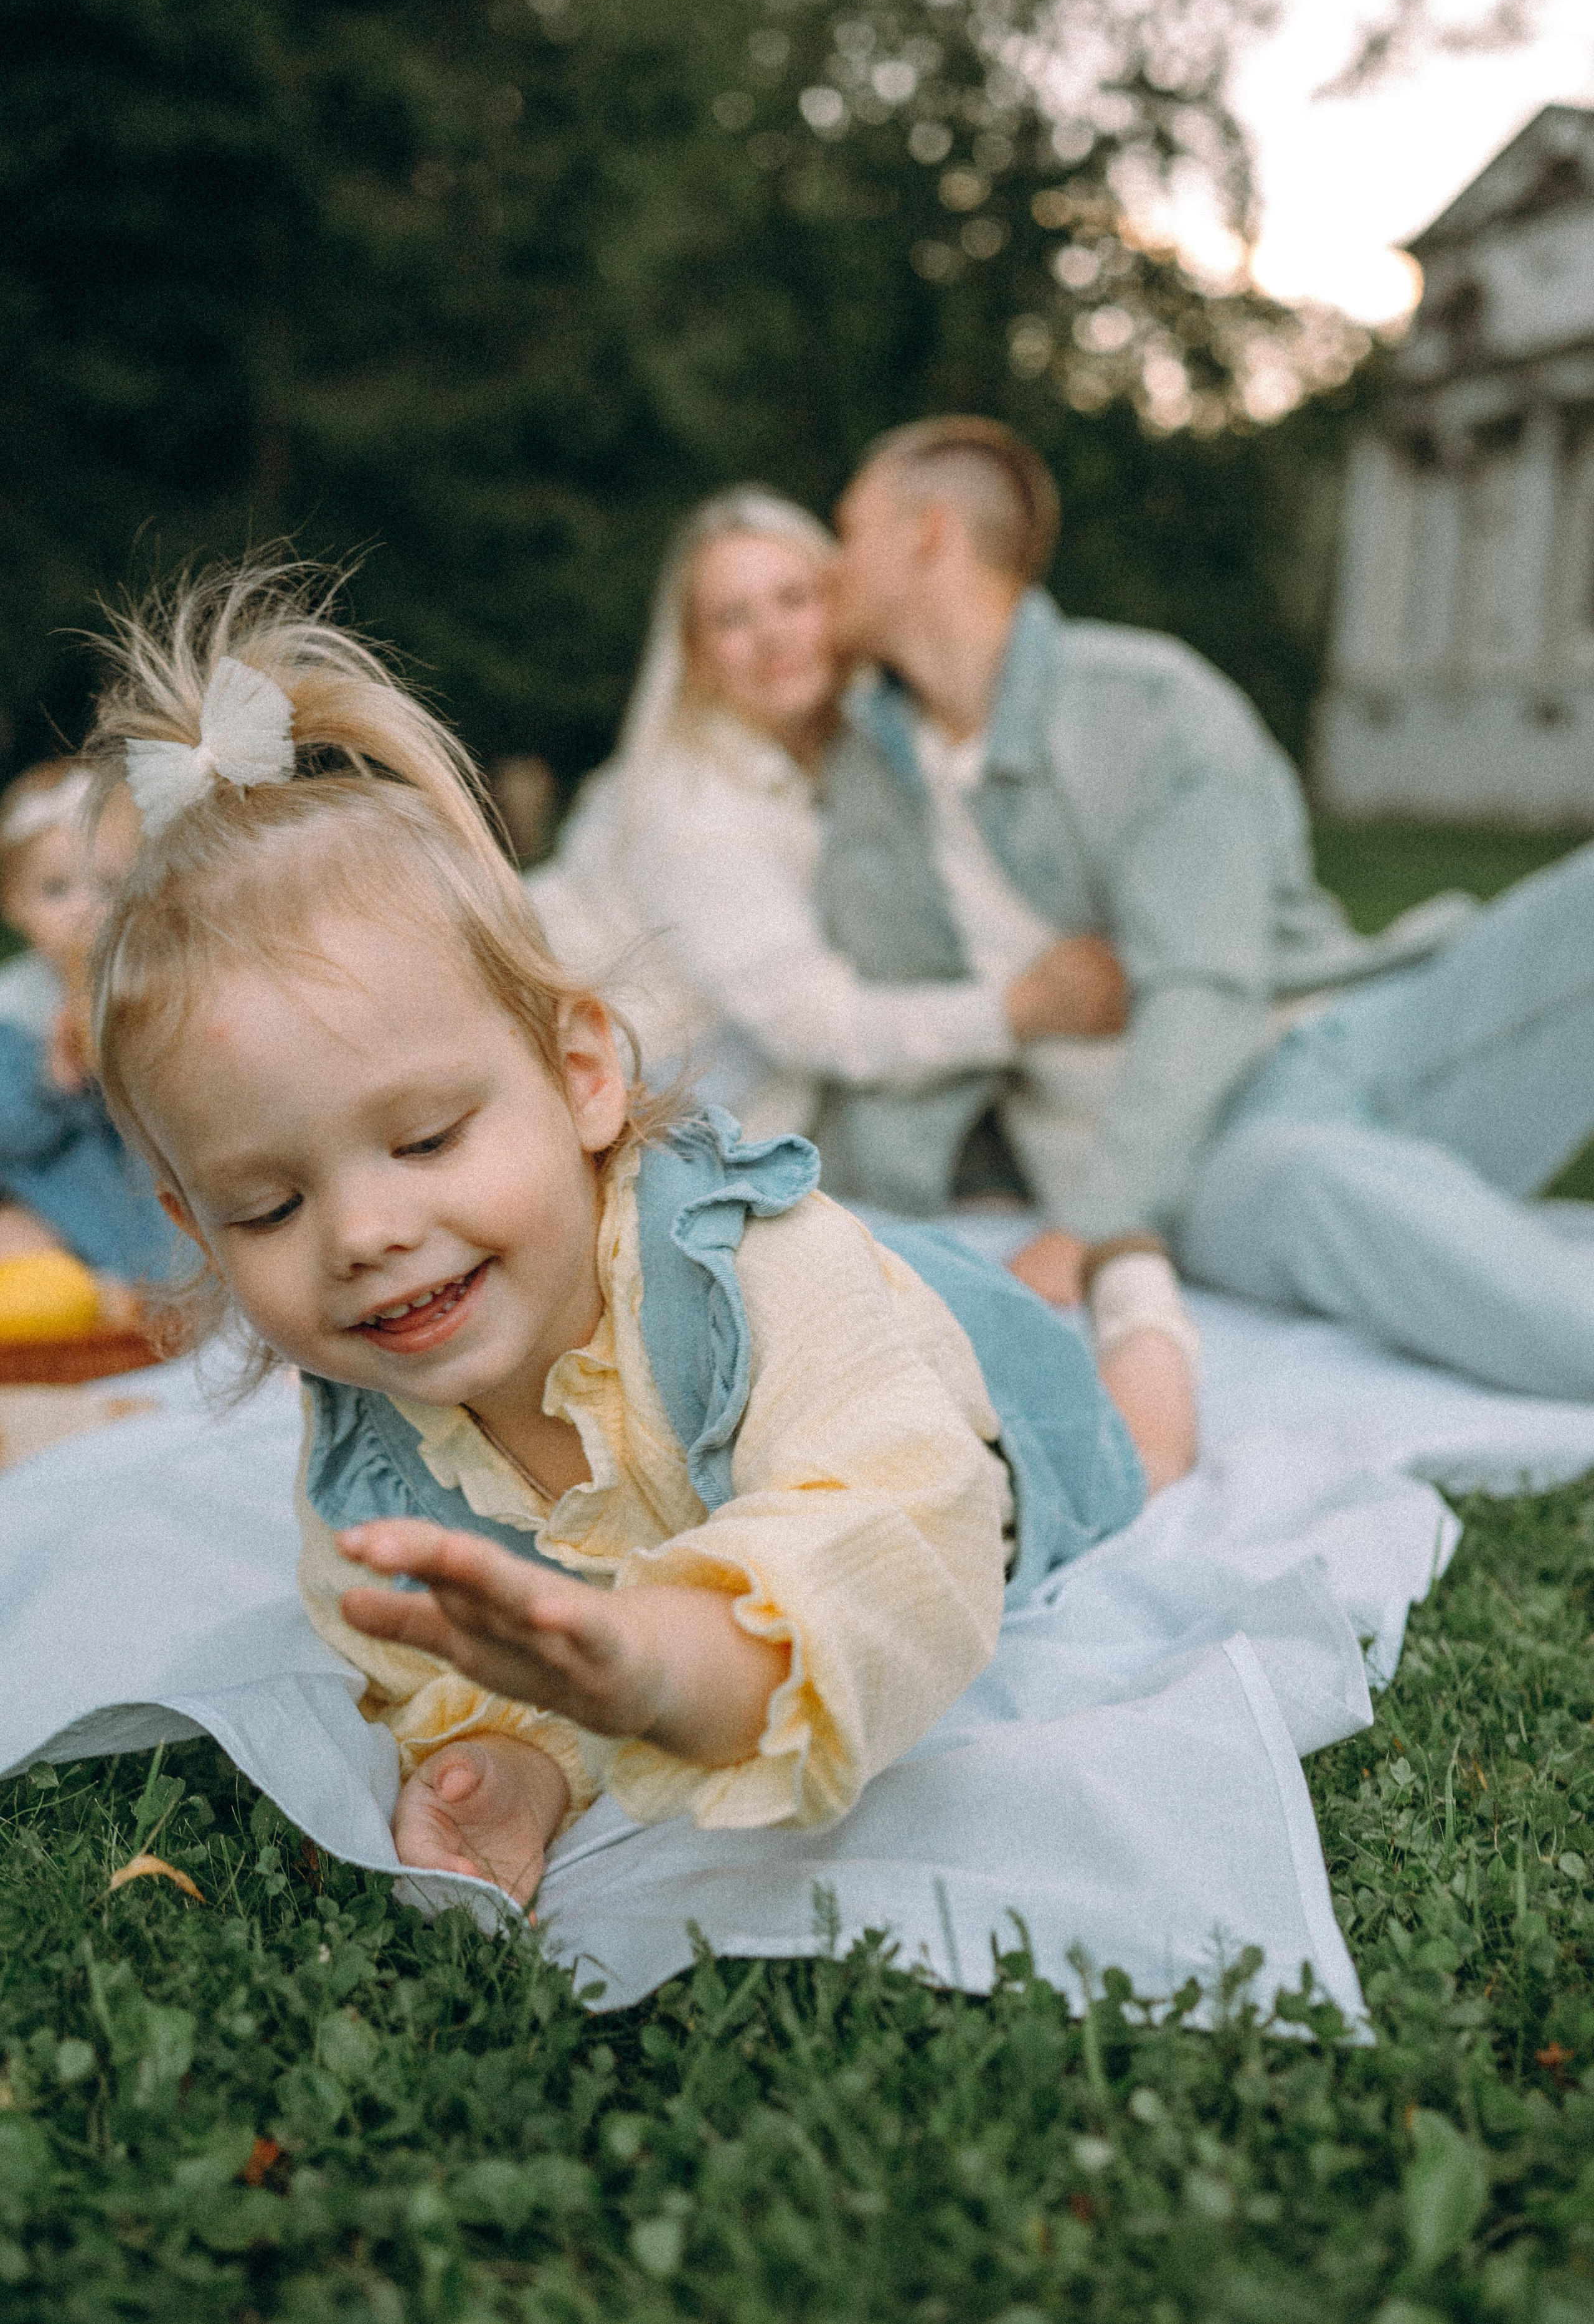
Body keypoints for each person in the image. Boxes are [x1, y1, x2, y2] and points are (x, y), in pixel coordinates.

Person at [80, 560, 1200, 1906]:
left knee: (1148, 1446)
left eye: (427, 1138)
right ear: (194, 1227)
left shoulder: (747, 1273)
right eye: (268, 1206)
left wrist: (664, 1661)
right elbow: (457, 1660)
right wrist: (524, 1758)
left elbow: (904, 1538)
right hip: (857, 1310)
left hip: (964, 1379)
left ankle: (1139, 1294)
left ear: (582, 1075)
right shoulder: (367, 1453)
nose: (365, 1232)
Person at [819, 412, 1594, 1401]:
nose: (829, 566)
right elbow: (871, 1021)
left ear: (928, 534)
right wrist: (1080, 1210)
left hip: (1359, 1041)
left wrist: (1086, 1227)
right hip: (1214, 1159)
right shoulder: (869, 782)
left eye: (849, 531)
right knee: (1313, 1178)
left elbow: (1206, 990)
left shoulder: (1148, 705)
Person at [528, 486, 1126, 1142]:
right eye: (732, 619)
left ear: (838, 603)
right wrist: (1019, 1009)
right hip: (599, 1094)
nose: (773, 637)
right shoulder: (689, 804)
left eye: (795, 599)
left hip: (722, 1084)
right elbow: (810, 1021)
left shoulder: (859, 748)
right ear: (696, 655)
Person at [0, 760, 176, 1283]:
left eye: (109, 885)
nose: (85, 911)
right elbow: (11, 1136)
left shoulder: (160, 980)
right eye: (56, 890)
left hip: (158, 1189)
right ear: (13, 906)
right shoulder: (16, 1006)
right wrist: (53, 1082)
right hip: (68, 1202)